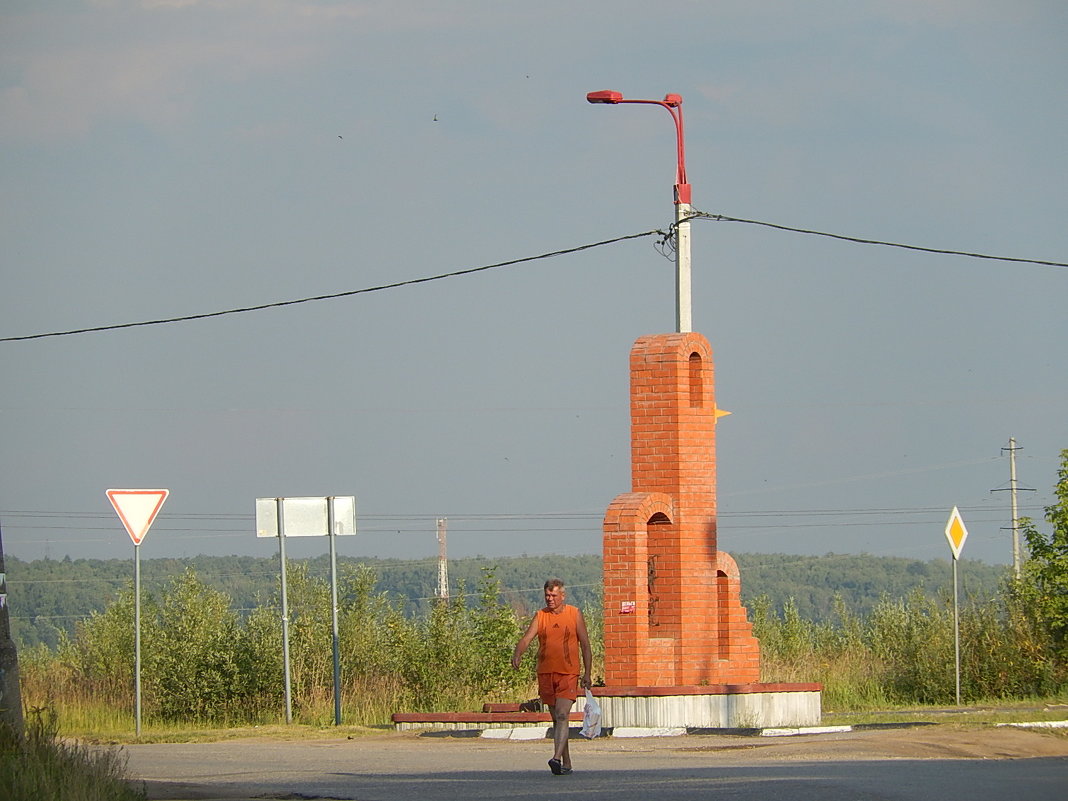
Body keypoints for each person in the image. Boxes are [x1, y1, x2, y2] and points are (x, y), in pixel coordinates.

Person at [511, 577, 592, 775]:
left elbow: (585, 644)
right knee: (557, 719)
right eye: (547, 595)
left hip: (568, 672)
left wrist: (588, 673)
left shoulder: (574, 614)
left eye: (553, 595)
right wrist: (518, 653)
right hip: (546, 673)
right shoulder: (541, 616)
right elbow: (527, 638)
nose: (550, 599)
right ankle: (567, 762)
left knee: (563, 714)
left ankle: (555, 758)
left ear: (562, 596)